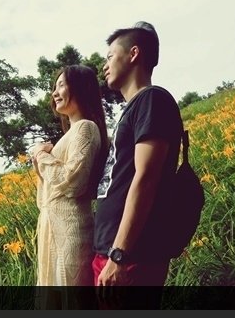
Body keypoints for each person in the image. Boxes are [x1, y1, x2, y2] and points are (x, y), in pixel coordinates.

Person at [93, 22, 182, 299]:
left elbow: (146, 178)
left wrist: (119, 255)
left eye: (110, 56)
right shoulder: (133, 109)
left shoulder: (151, 100)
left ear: (133, 54)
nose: (104, 64)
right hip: (111, 251)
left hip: (131, 255)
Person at [32, 65, 109, 309]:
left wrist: (40, 156)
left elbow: (73, 181)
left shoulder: (86, 127)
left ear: (81, 88)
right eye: (54, 87)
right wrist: (41, 160)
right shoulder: (72, 133)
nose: (55, 92)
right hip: (54, 232)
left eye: (62, 85)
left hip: (70, 234)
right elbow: (47, 195)